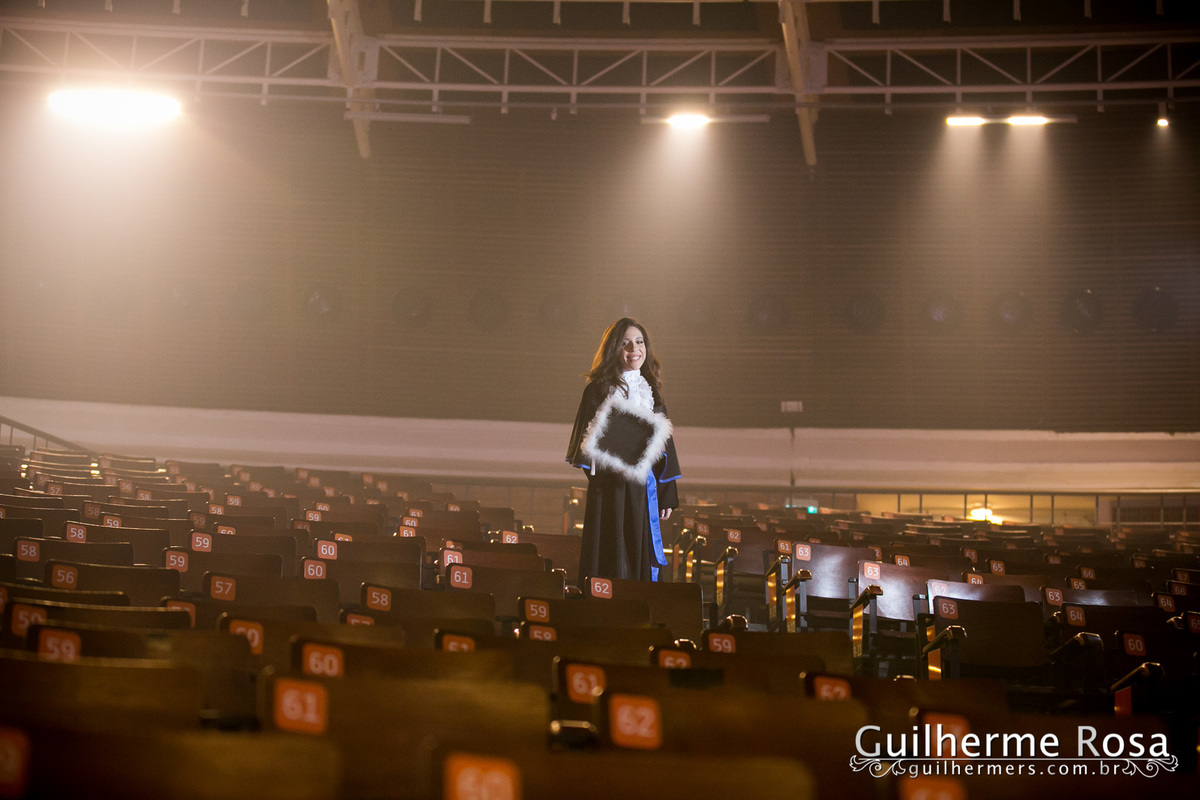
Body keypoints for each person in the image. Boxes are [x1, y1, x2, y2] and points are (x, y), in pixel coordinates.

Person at [566, 318, 681, 582]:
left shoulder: (650, 390)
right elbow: (588, 444)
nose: (634, 348)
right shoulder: (597, 389)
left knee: (639, 552)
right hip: (610, 489)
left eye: (639, 342)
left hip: (643, 489)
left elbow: (665, 446)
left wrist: (666, 493)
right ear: (614, 349)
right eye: (626, 343)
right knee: (611, 553)